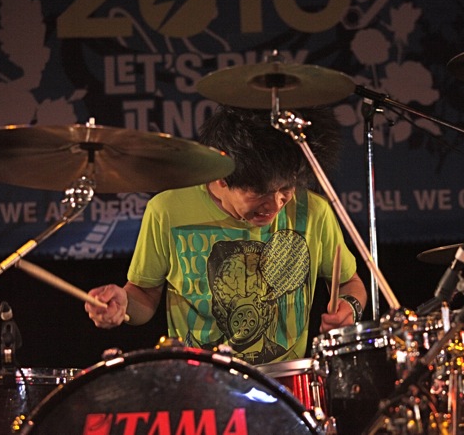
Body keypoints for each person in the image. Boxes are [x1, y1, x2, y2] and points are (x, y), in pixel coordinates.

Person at [85, 105, 367, 365]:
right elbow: (145, 294)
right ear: (222, 176)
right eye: (261, 192)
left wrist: (349, 307)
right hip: (200, 379)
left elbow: (349, 282)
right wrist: (123, 302)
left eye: (286, 189)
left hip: (283, 385)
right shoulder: (167, 209)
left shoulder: (314, 211)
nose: (276, 204)